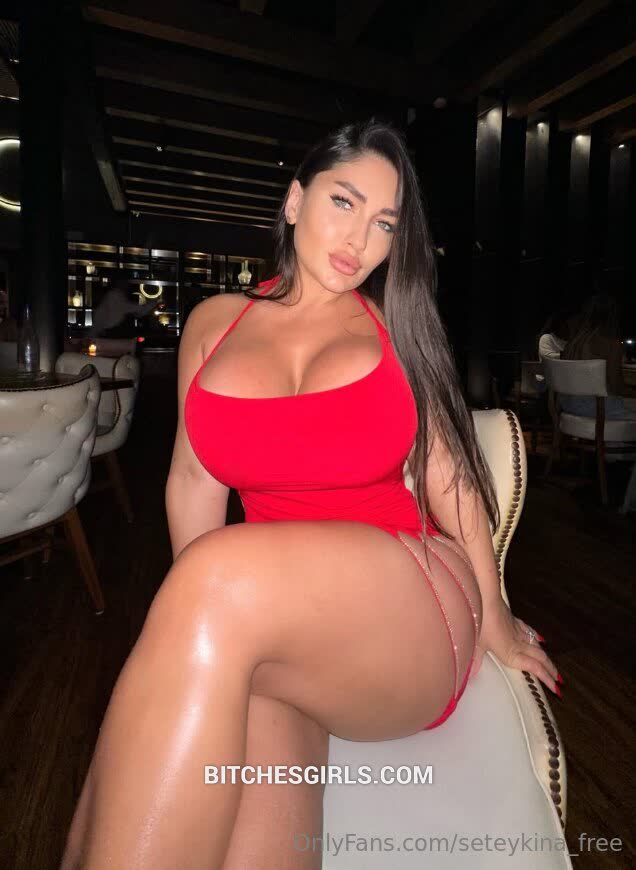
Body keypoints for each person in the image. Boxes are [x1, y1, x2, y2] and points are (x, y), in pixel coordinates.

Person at [60, 119, 561, 869]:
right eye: (344, 202)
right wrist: (197, 630)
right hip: (273, 619)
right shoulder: (215, 324)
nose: (360, 239)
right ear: (296, 201)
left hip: (411, 603)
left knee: (211, 577)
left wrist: (493, 612)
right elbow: (193, 479)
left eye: (385, 223)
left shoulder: (397, 326)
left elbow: (453, 479)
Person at [559, 293, 636, 419]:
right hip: (596, 407)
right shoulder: (612, 344)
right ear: (613, 316)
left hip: (567, 404)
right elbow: (616, 387)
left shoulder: (573, 343)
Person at [86, 278, 162, 338]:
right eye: (125, 282)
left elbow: (137, 310)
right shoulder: (116, 295)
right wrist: (154, 302)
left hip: (108, 334)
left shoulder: (112, 296)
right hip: (112, 334)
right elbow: (138, 310)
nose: (127, 285)